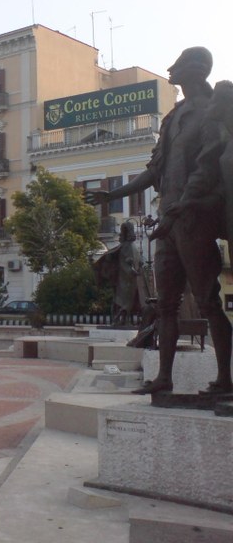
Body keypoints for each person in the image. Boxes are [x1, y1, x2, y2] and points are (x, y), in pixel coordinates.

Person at [87, 46, 233, 395]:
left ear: (196, 71)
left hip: (194, 217)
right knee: (165, 303)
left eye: (179, 65)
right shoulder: (174, 116)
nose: (171, 69)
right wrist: (113, 194)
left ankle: (225, 380)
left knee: (208, 300)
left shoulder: (213, 113)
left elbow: (209, 163)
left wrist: (185, 204)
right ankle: (164, 378)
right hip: (168, 220)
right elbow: (155, 170)